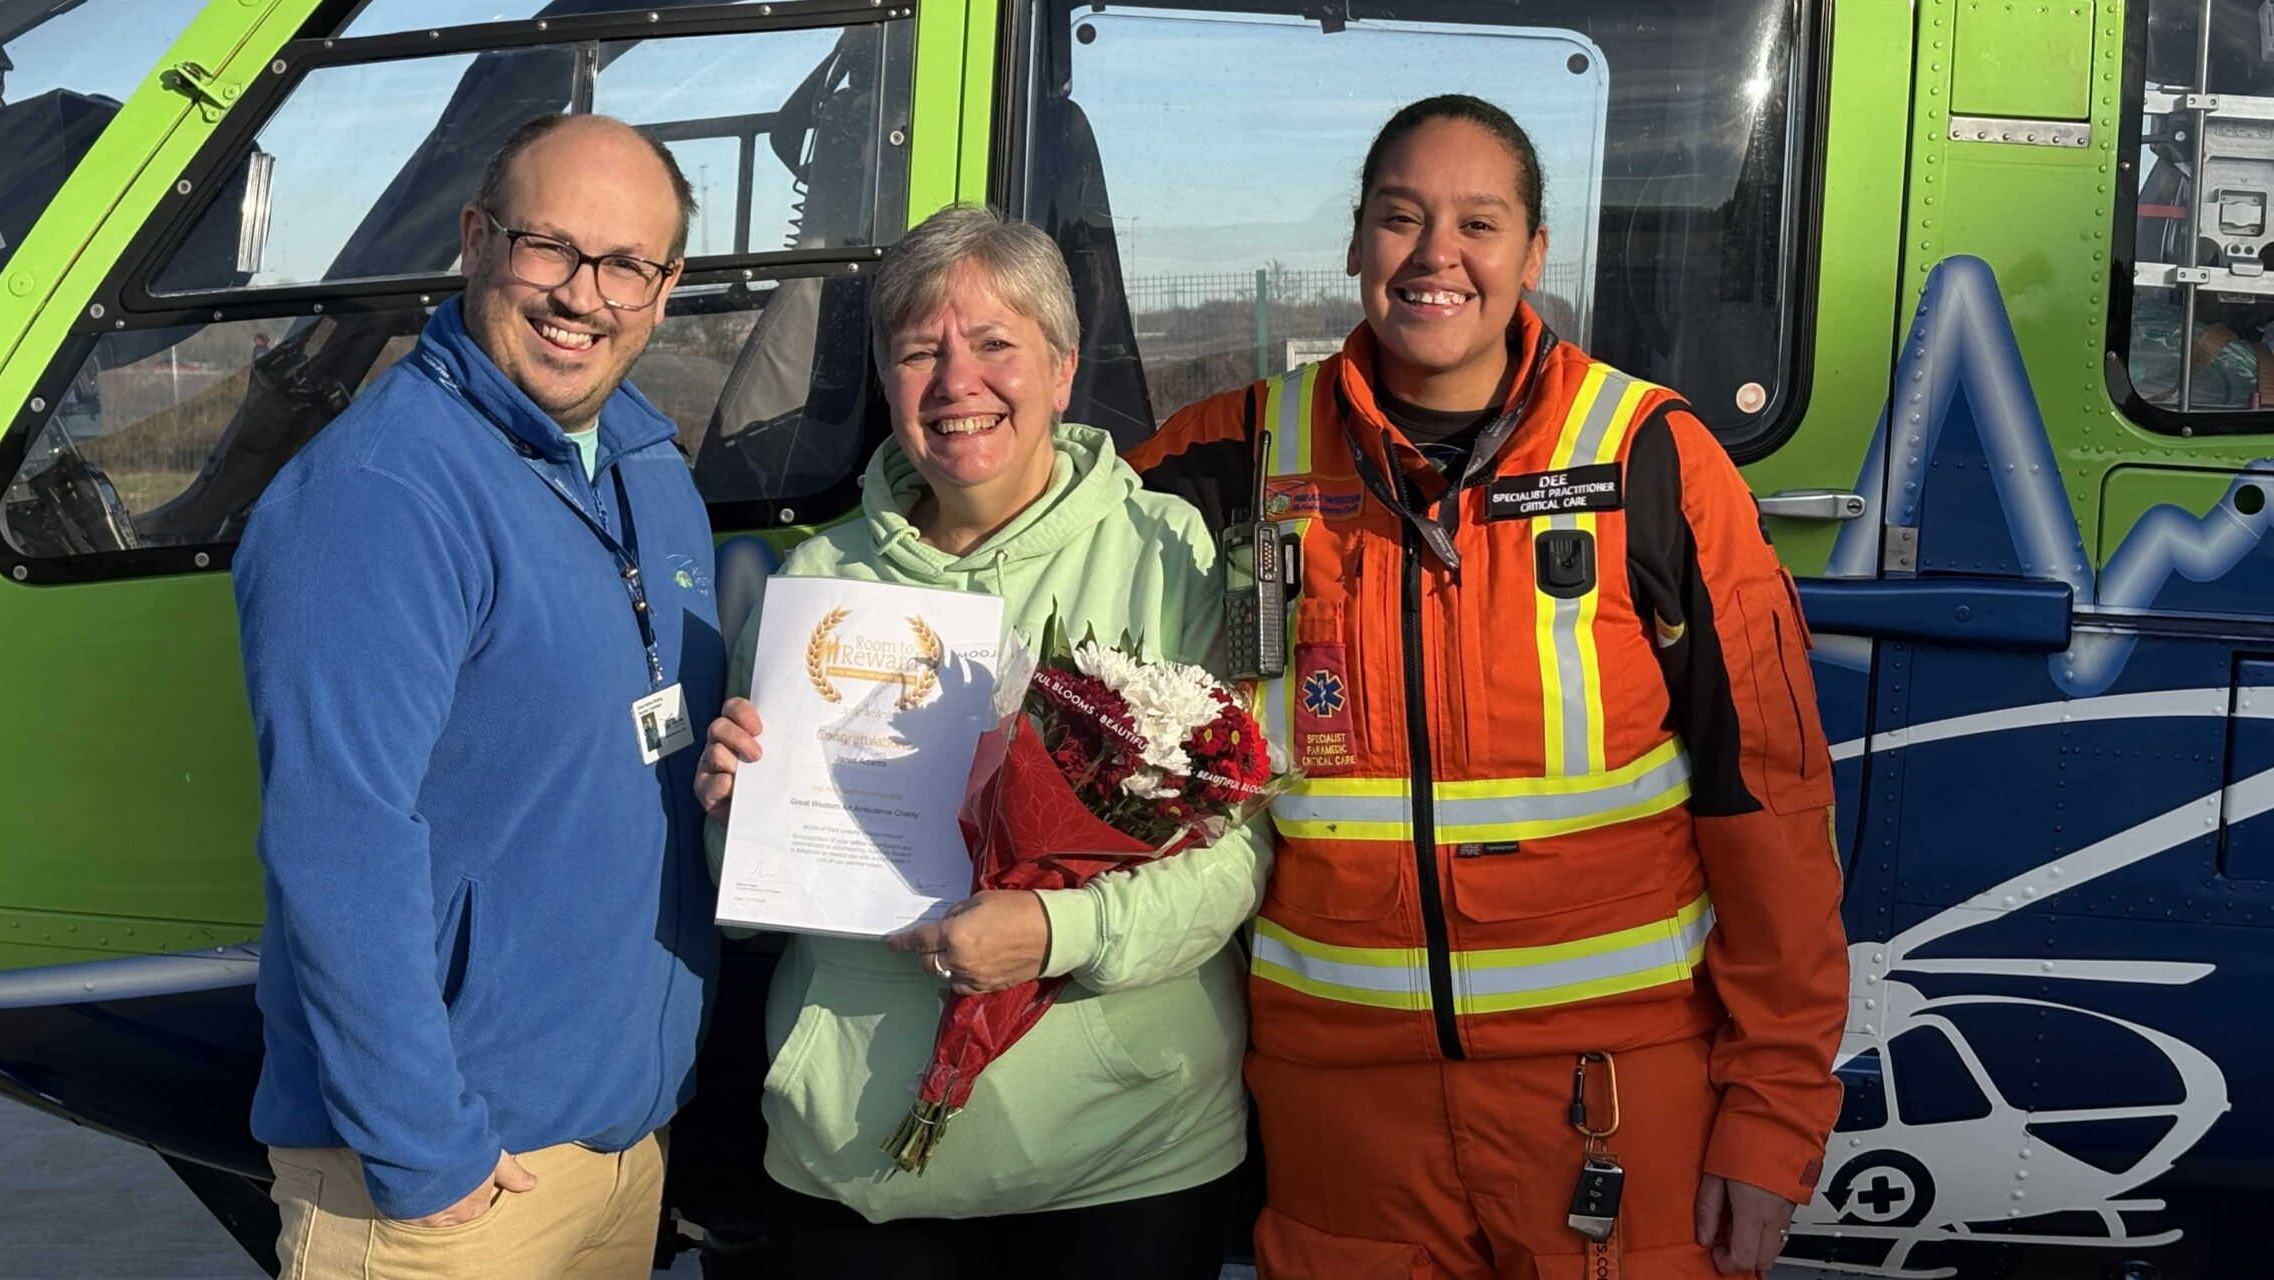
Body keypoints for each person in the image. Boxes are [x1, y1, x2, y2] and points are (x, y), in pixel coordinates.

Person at [1129, 95, 1849, 1279]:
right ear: (1357, 242)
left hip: (1613, 1109)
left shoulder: (1650, 460)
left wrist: (1772, 1119)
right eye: (1401, 218)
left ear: (1533, 253)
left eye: (1478, 222)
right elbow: (1035, 537)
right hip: (1340, 1125)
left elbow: (1767, 802)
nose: (1435, 256)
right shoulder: (1231, 456)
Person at [690, 205, 1271, 1280]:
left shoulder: (1168, 552)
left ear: (1060, 369)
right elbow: (751, 898)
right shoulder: (820, 577)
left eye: (995, 344)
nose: (957, 381)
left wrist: (1055, 931)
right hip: (857, 1146)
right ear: (888, 381)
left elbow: (1234, 857)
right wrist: (734, 814)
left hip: (1125, 1154)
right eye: (919, 351)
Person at [232, 113, 722, 1279]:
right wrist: (426, 1151)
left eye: (624, 265)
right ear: (475, 240)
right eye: (546, 246)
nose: (581, 296)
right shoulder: (381, 494)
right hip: (449, 1182)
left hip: (615, 1147)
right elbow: (338, 839)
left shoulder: (647, 465)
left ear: (666, 287)